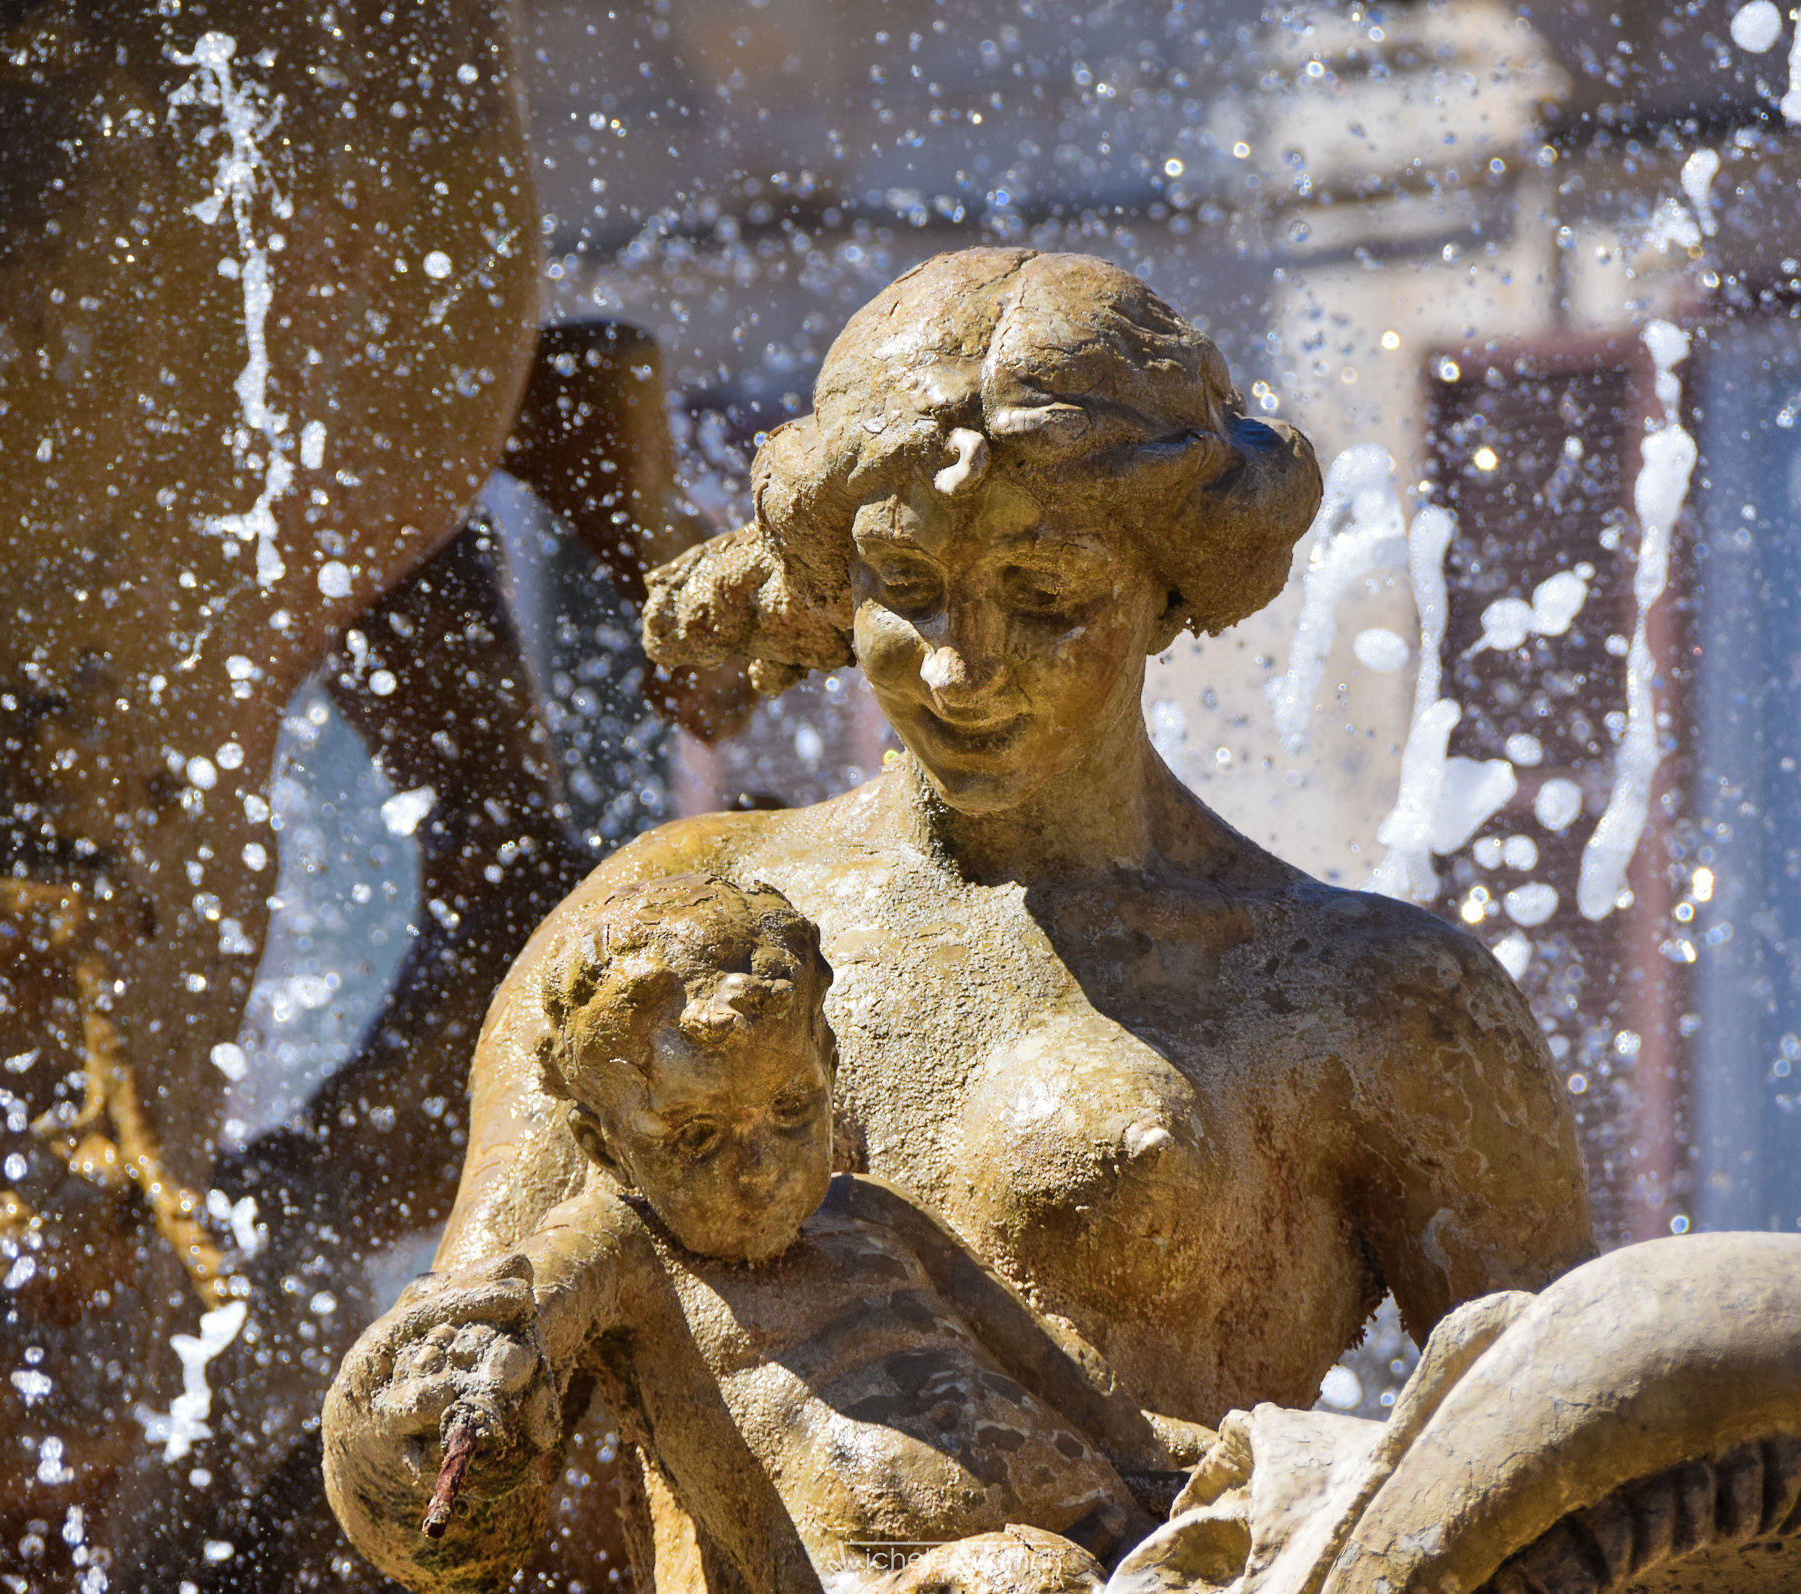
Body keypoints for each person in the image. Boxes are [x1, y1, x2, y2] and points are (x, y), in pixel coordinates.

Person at [442, 248, 1596, 1449]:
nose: (961, 668)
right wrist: (435, 1431)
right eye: (905, 586)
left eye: (1045, 596)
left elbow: (1564, 1466)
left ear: (1170, 588)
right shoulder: (664, 913)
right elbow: (432, 1417)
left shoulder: (1374, 1000)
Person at [325, 876, 1199, 1594]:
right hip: (866, 1578)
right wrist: (480, 1368)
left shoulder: (871, 1211)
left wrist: (1180, 1460)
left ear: (828, 1068)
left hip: (1095, 1519)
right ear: (605, 1147)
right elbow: (521, 1306)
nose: (759, 1169)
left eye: (791, 1110)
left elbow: (1061, 1371)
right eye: (698, 1138)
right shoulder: (623, 1250)